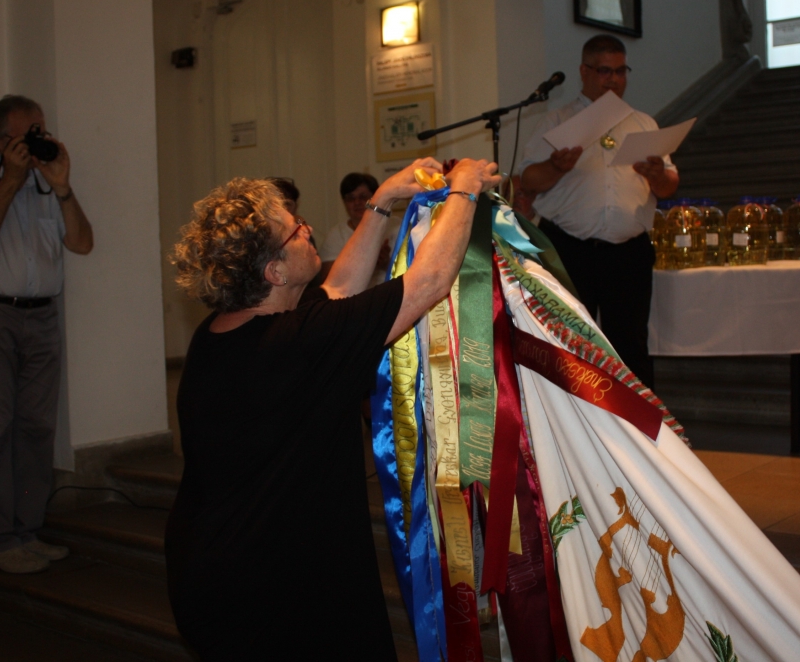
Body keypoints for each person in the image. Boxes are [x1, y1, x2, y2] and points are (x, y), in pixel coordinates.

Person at [164, 157, 500, 660]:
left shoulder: (225, 331)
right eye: (294, 230)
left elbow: (338, 289)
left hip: (218, 565)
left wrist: (382, 201)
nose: (308, 230)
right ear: (274, 271)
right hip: (270, 591)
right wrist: (465, 190)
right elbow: (428, 282)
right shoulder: (298, 343)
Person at [0, 95, 94, 573]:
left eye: (41, 131)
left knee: (36, 428)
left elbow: (82, 243)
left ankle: (27, 531)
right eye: (27, 134)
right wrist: (10, 181)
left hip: (42, 317)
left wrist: (63, 188)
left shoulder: (47, 183)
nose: (38, 141)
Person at [519, 34, 678, 389]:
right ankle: (573, 424)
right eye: (605, 71)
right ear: (584, 71)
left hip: (628, 252)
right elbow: (528, 179)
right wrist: (556, 166)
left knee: (631, 346)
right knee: (569, 345)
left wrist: (657, 176)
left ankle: (639, 424)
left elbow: (668, 185)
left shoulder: (643, 123)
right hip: (569, 249)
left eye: (621, 71)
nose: (614, 80)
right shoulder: (557, 121)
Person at [318, 172, 393, 284]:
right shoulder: (335, 236)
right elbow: (327, 280)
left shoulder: (397, 226)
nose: (357, 202)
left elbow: (412, 270)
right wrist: (369, 260)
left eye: (363, 197)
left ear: (375, 197)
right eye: (350, 198)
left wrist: (386, 264)